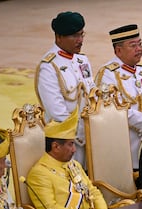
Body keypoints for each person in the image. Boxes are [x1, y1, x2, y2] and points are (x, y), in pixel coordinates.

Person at [95, 24, 142, 170]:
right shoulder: (108, 74)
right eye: (133, 45)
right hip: (126, 141)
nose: (139, 49)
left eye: (140, 44)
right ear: (118, 50)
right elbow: (115, 109)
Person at [35, 11, 96, 166]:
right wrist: (82, 134)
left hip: (89, 137)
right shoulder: (49, 66)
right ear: (59, 37)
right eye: (75, 36)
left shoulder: (82, 60)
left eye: (82, 35)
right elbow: (57, 112)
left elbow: (93, 95)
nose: (80, 40)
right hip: (65, 142)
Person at [27, 108, 107, 209]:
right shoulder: (39, 173)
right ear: (56, 147)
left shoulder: (74, 165)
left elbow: (94, 192)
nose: (74, 150)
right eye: (70, 145)